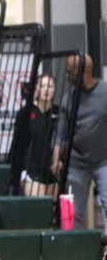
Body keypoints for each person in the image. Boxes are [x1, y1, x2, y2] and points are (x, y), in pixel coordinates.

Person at [56, 54, 107, 238]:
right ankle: (73, 247)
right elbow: (60, 133)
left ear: (82, 72)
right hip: (76, 162)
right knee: (73, 211)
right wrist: (56, 160)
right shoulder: (68, 99)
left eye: (70, 71)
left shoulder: (104, 92)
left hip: (104, 159)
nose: (67, 75)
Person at [10, 74, 59, 196]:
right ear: (36, 88)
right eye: (42, 86)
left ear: (54, 89)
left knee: (53, 206)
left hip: (52, 171)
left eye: (50, 86)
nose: (46, 90)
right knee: (38, 203)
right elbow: (17, 142)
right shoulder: (26, 111)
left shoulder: (59, 113)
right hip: (30, 169)